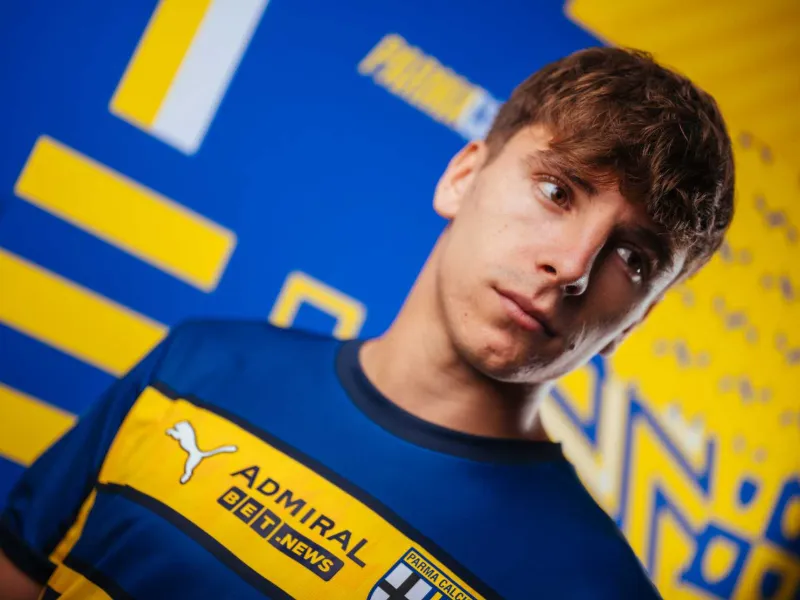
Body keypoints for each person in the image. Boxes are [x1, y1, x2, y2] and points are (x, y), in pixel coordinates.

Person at [0, 46, 734, 600]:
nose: (572, 266)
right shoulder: (197, 366)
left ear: (637, 320)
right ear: (463, 177)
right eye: (556, 190)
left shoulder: (592, 588)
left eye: (632, 258)